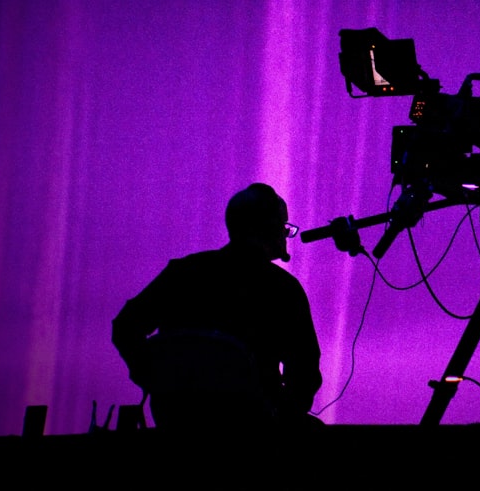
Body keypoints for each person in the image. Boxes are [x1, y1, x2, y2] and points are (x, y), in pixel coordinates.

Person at [112, 183, 322, 430]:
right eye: (283, 226)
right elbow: (305, 371)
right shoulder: (284, 289)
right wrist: (286, 412)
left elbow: (125, 326)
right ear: (270, 228)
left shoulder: (182, 273)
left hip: (179, 422)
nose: (285, 235)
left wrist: (152, 377)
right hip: (255, 429)